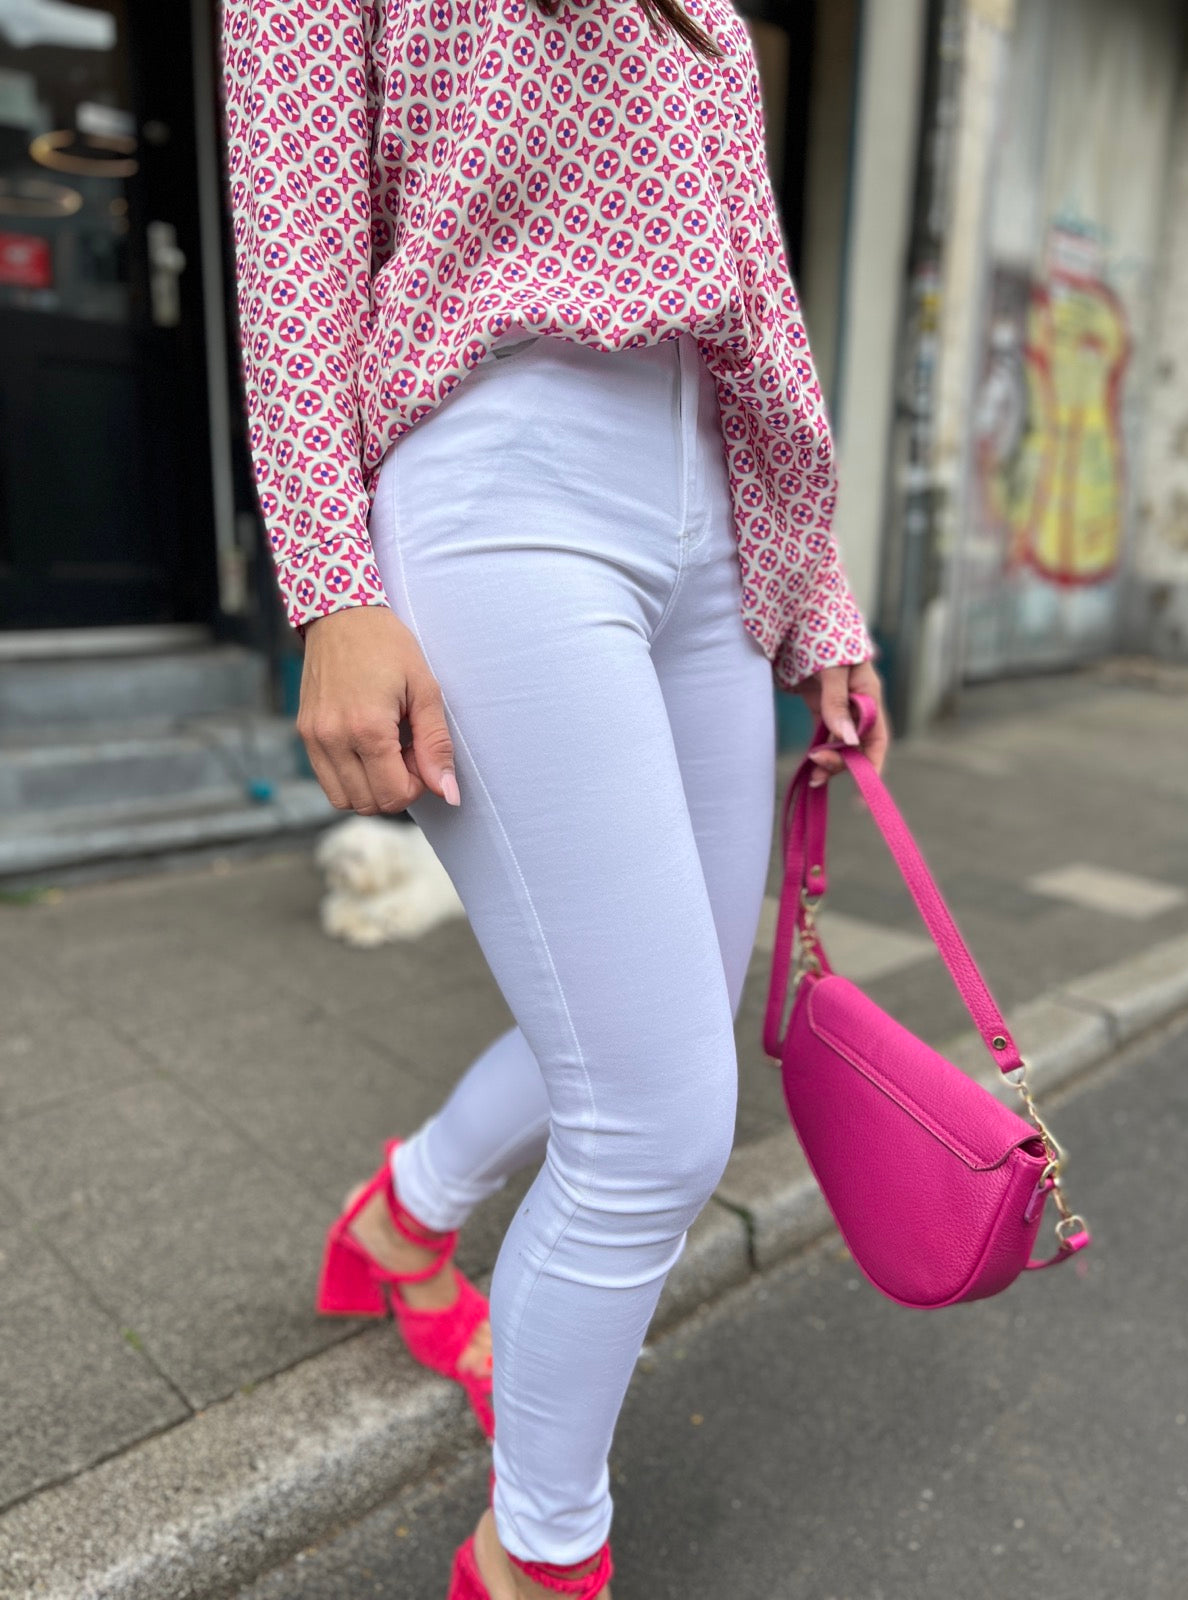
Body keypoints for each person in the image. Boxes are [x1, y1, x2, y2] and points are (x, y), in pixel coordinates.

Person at [220, 0, 890, 1594]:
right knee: (657, 1126)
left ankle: (404, 1215)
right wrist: (331, 586)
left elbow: (758, 289)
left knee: (668, 1023)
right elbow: (293, 229)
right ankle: (537, 1557)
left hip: (710, 514)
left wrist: (820, 596)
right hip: (500, 483)